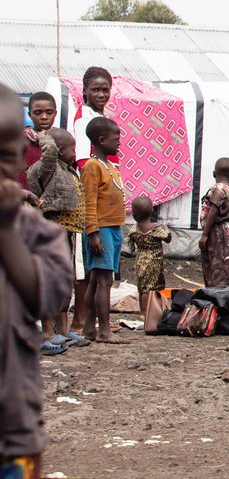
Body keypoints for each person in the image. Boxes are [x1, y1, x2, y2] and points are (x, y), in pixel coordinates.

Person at [0, 84, 73, 479]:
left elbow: (47, 298)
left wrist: (7, 233)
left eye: (3, 155)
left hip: (12, 430)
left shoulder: (31, 230)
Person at [26, 127, 89, 354]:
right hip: (51, 231)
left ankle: (62, 330)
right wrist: (43, 135)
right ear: (60, 150)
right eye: (72, 148)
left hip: (66, 232)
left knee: (64, 283)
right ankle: (46, 333)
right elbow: (50, 150)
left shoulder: (67, 169)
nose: (75, 152)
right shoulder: (47, 168)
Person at [79, 116, 126, 343]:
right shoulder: (92, 167)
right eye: (115, 138)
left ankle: (90, 329)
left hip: (113, 228)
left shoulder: (108, 166)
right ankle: (104, 330)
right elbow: (89, 201)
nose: (119, 142)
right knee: (103, 281)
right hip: (102, 230)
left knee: (98, 279)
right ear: (100, 139)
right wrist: (93, 232)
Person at [126, 196, 170, 328]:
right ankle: (147, 312)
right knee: (151, 288)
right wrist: (165, 227)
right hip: (154, 261)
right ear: (151, 211)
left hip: (140, 259)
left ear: (134, 215)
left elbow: (130, 244)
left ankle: (142, 311)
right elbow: (168, 238)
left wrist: (134, 248)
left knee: (142, 287)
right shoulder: (156, 229)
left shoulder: (134, 229)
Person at [199, 158, 229, 287]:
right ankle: (225, 290)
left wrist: (205, 235)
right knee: (226, 264)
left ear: (213, 173)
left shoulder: (217, 189)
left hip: (216, 232)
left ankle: (217, 292)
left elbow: (213, 211)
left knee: (217, 265)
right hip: (226, 231)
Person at [73, 66, 113, 169]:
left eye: (105, 90)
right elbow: (83, 161)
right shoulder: (85, 118)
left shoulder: (104, 117)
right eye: (96, 90)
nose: (101, 95)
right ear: (85, 91)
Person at [21, 91, 57, 191]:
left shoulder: (62, 139)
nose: (44, 117)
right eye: (38, 113)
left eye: (49, 112)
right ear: (29, 114)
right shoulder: (22, 140)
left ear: (55, 113)